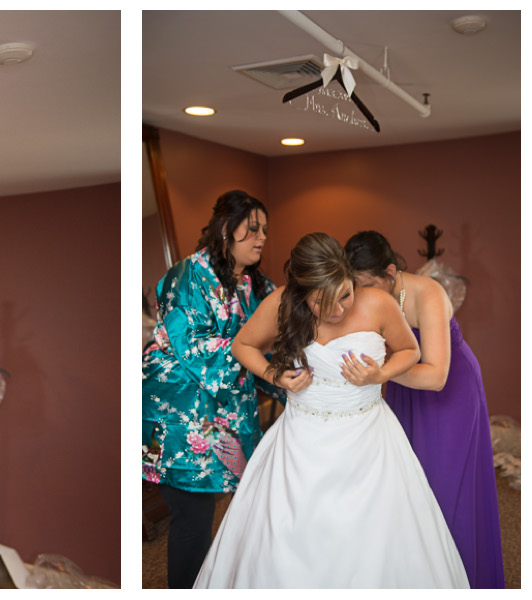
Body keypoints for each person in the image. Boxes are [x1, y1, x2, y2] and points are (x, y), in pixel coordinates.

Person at [195, 232, 467, 588]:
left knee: (378, 538)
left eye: (345, 295)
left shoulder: (378, 303)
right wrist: (276, 375)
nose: (339, 311)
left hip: (369, 438)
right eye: (325, 304)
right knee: (287, 538)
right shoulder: (281, 303)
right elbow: (242, 345)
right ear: (302, 295)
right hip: (301, 440)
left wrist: (380, 373)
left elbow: (410, 351)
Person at [344, 231, 504, 588]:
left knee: (446, 490)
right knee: (408, 487)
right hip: (403, 391)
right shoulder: (369, 295)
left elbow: (435, 376)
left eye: (369, 285)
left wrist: (379, 373)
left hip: (450, 394)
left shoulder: (428, 293)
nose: (363, 295)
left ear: (389, 272)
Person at [140, 190, 284, 588]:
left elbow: (276, 330)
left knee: (216, 509)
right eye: (252, 229)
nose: (261, 237)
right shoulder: (186, 276)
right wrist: (264, 362)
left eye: (265, 230)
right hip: (178, 411)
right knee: (193, 516)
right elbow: (198, 349)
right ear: (225, 229)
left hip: (221, 408)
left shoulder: (254, 283)